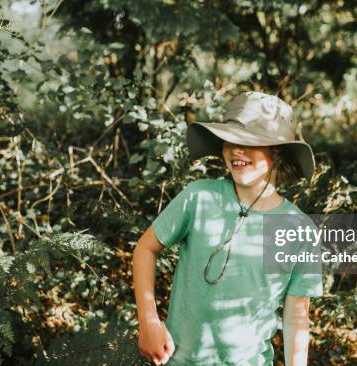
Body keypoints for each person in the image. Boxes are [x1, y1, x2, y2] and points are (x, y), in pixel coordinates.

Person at [133, 91, 323, 365]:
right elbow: (145, 248)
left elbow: (296, 316)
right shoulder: (199, 198)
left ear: (277, 153)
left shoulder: (297, 229)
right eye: (230, 140)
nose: (236, 150)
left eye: (249, 142)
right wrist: (148, 321)